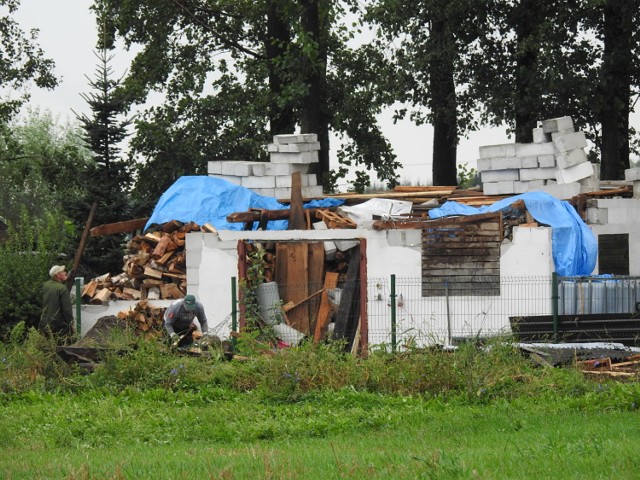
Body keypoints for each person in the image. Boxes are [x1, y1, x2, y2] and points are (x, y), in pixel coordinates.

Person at [39, 264, 74, 341]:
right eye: (63, 271)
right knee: (64, 347)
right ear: (57, 275)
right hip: (59, 326)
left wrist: (66, 278)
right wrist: (71, 323)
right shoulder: (62, 289)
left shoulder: (46, 285)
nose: (65, 273)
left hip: (45, 323)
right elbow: (67, 310)